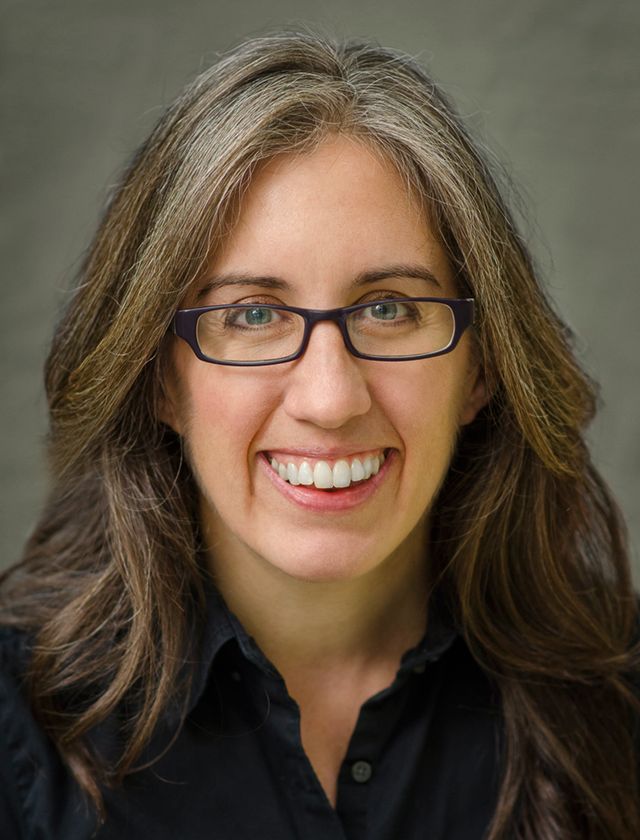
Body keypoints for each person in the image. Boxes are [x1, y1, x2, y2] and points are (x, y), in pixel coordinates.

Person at [0, 30, 638, 840]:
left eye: (389, 308)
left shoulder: (619, 702)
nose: (331, 398)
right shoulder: (18, 729)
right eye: (253, 315)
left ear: (482, 370)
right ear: (160, 378)